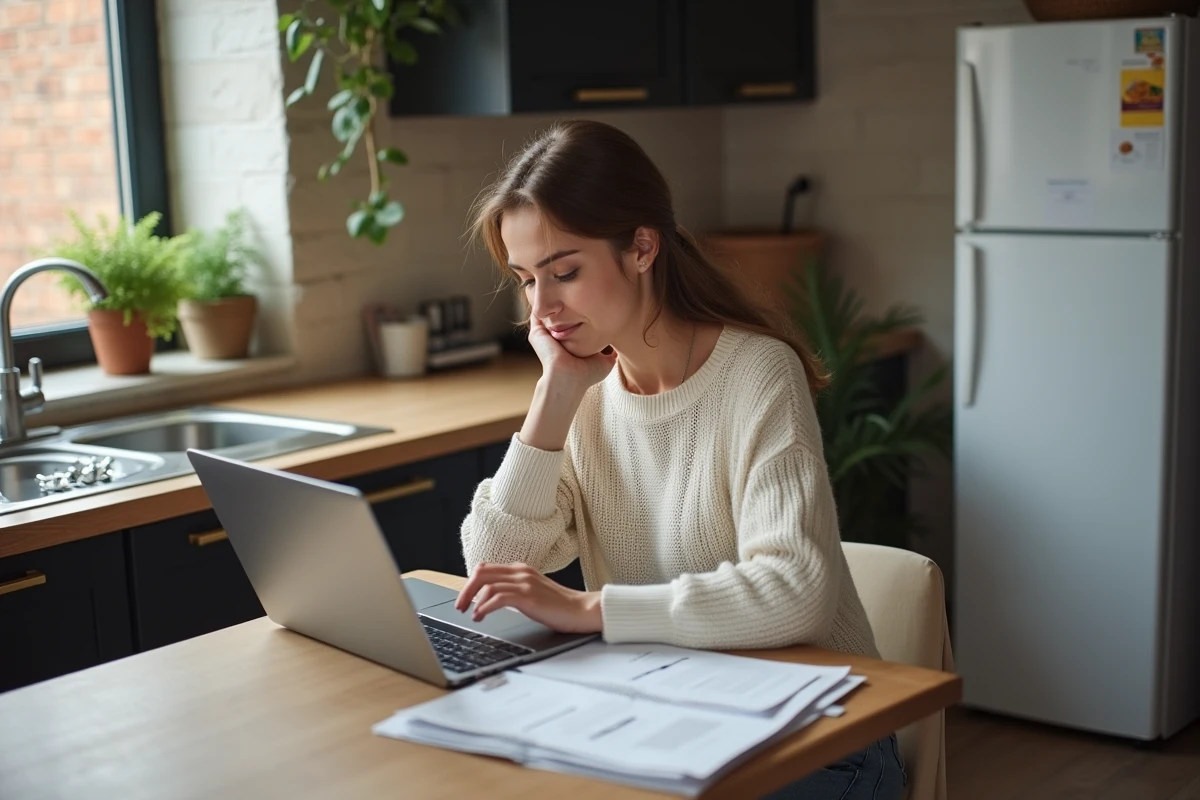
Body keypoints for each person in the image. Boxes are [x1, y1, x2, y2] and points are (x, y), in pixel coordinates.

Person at [453, 119, 905, 799]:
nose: (542, 308)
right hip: (675, 714)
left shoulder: (757, 374)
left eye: (564, 272)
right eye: (524, 280)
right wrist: (554, 394)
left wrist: (595, 609)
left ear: (641, 247)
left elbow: (796, 593)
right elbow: (494, 561)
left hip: (817, 739)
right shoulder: (587, 391)